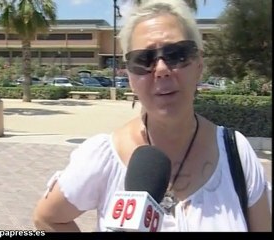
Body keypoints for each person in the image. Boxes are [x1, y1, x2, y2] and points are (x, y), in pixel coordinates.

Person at [32, 0, 271, 232]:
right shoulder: (102, 157)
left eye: (177, 54)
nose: (161, 70)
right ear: (130, 77)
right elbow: (47, 218)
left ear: (199, 64)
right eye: (143, 59)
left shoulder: (236, 153)